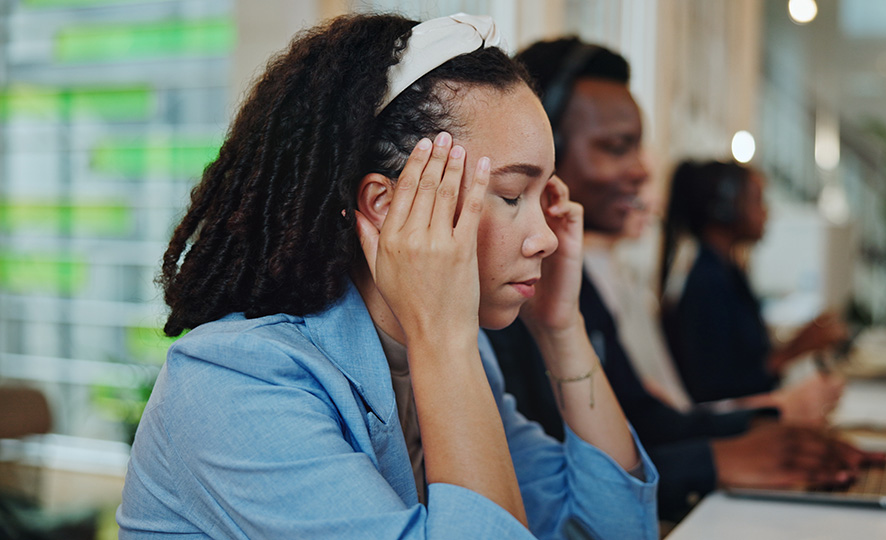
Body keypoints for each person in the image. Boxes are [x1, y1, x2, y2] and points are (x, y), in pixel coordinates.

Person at [116, 14, 658, 539]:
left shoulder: (456, 351)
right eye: (513, 196)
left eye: (545, 198)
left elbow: (610, 530)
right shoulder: (233, 382)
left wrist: (561, 329)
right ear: (384, 204)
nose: (548, 237)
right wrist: (444, 341)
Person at [487, 36, 874, 523]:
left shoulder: (566, 288)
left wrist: (760, 426)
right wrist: (721, 457)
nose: (644, 170)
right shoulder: (502, 300)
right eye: (615, 147)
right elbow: (553, 483)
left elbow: (636, 424)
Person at [661, 160, 849, 404]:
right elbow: (714, 389)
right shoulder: (706, 282)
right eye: (758, 199)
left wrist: (796, 344)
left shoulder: (727, 271)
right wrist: (792, 352)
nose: (767, 211)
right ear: (724, 208)